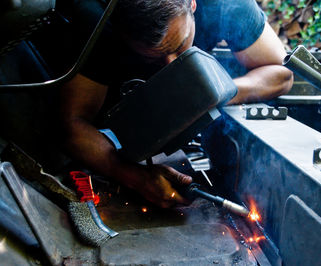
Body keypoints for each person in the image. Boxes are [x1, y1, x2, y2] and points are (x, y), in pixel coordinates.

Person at [59, 0, 293, 208]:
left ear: (192, 4)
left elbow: (282, 74)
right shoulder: (98, 19)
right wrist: (133, 176)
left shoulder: (225, 4)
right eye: (153, 57)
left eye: (180, 46)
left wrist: (212, 90)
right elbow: (72, 125)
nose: (172, 65)